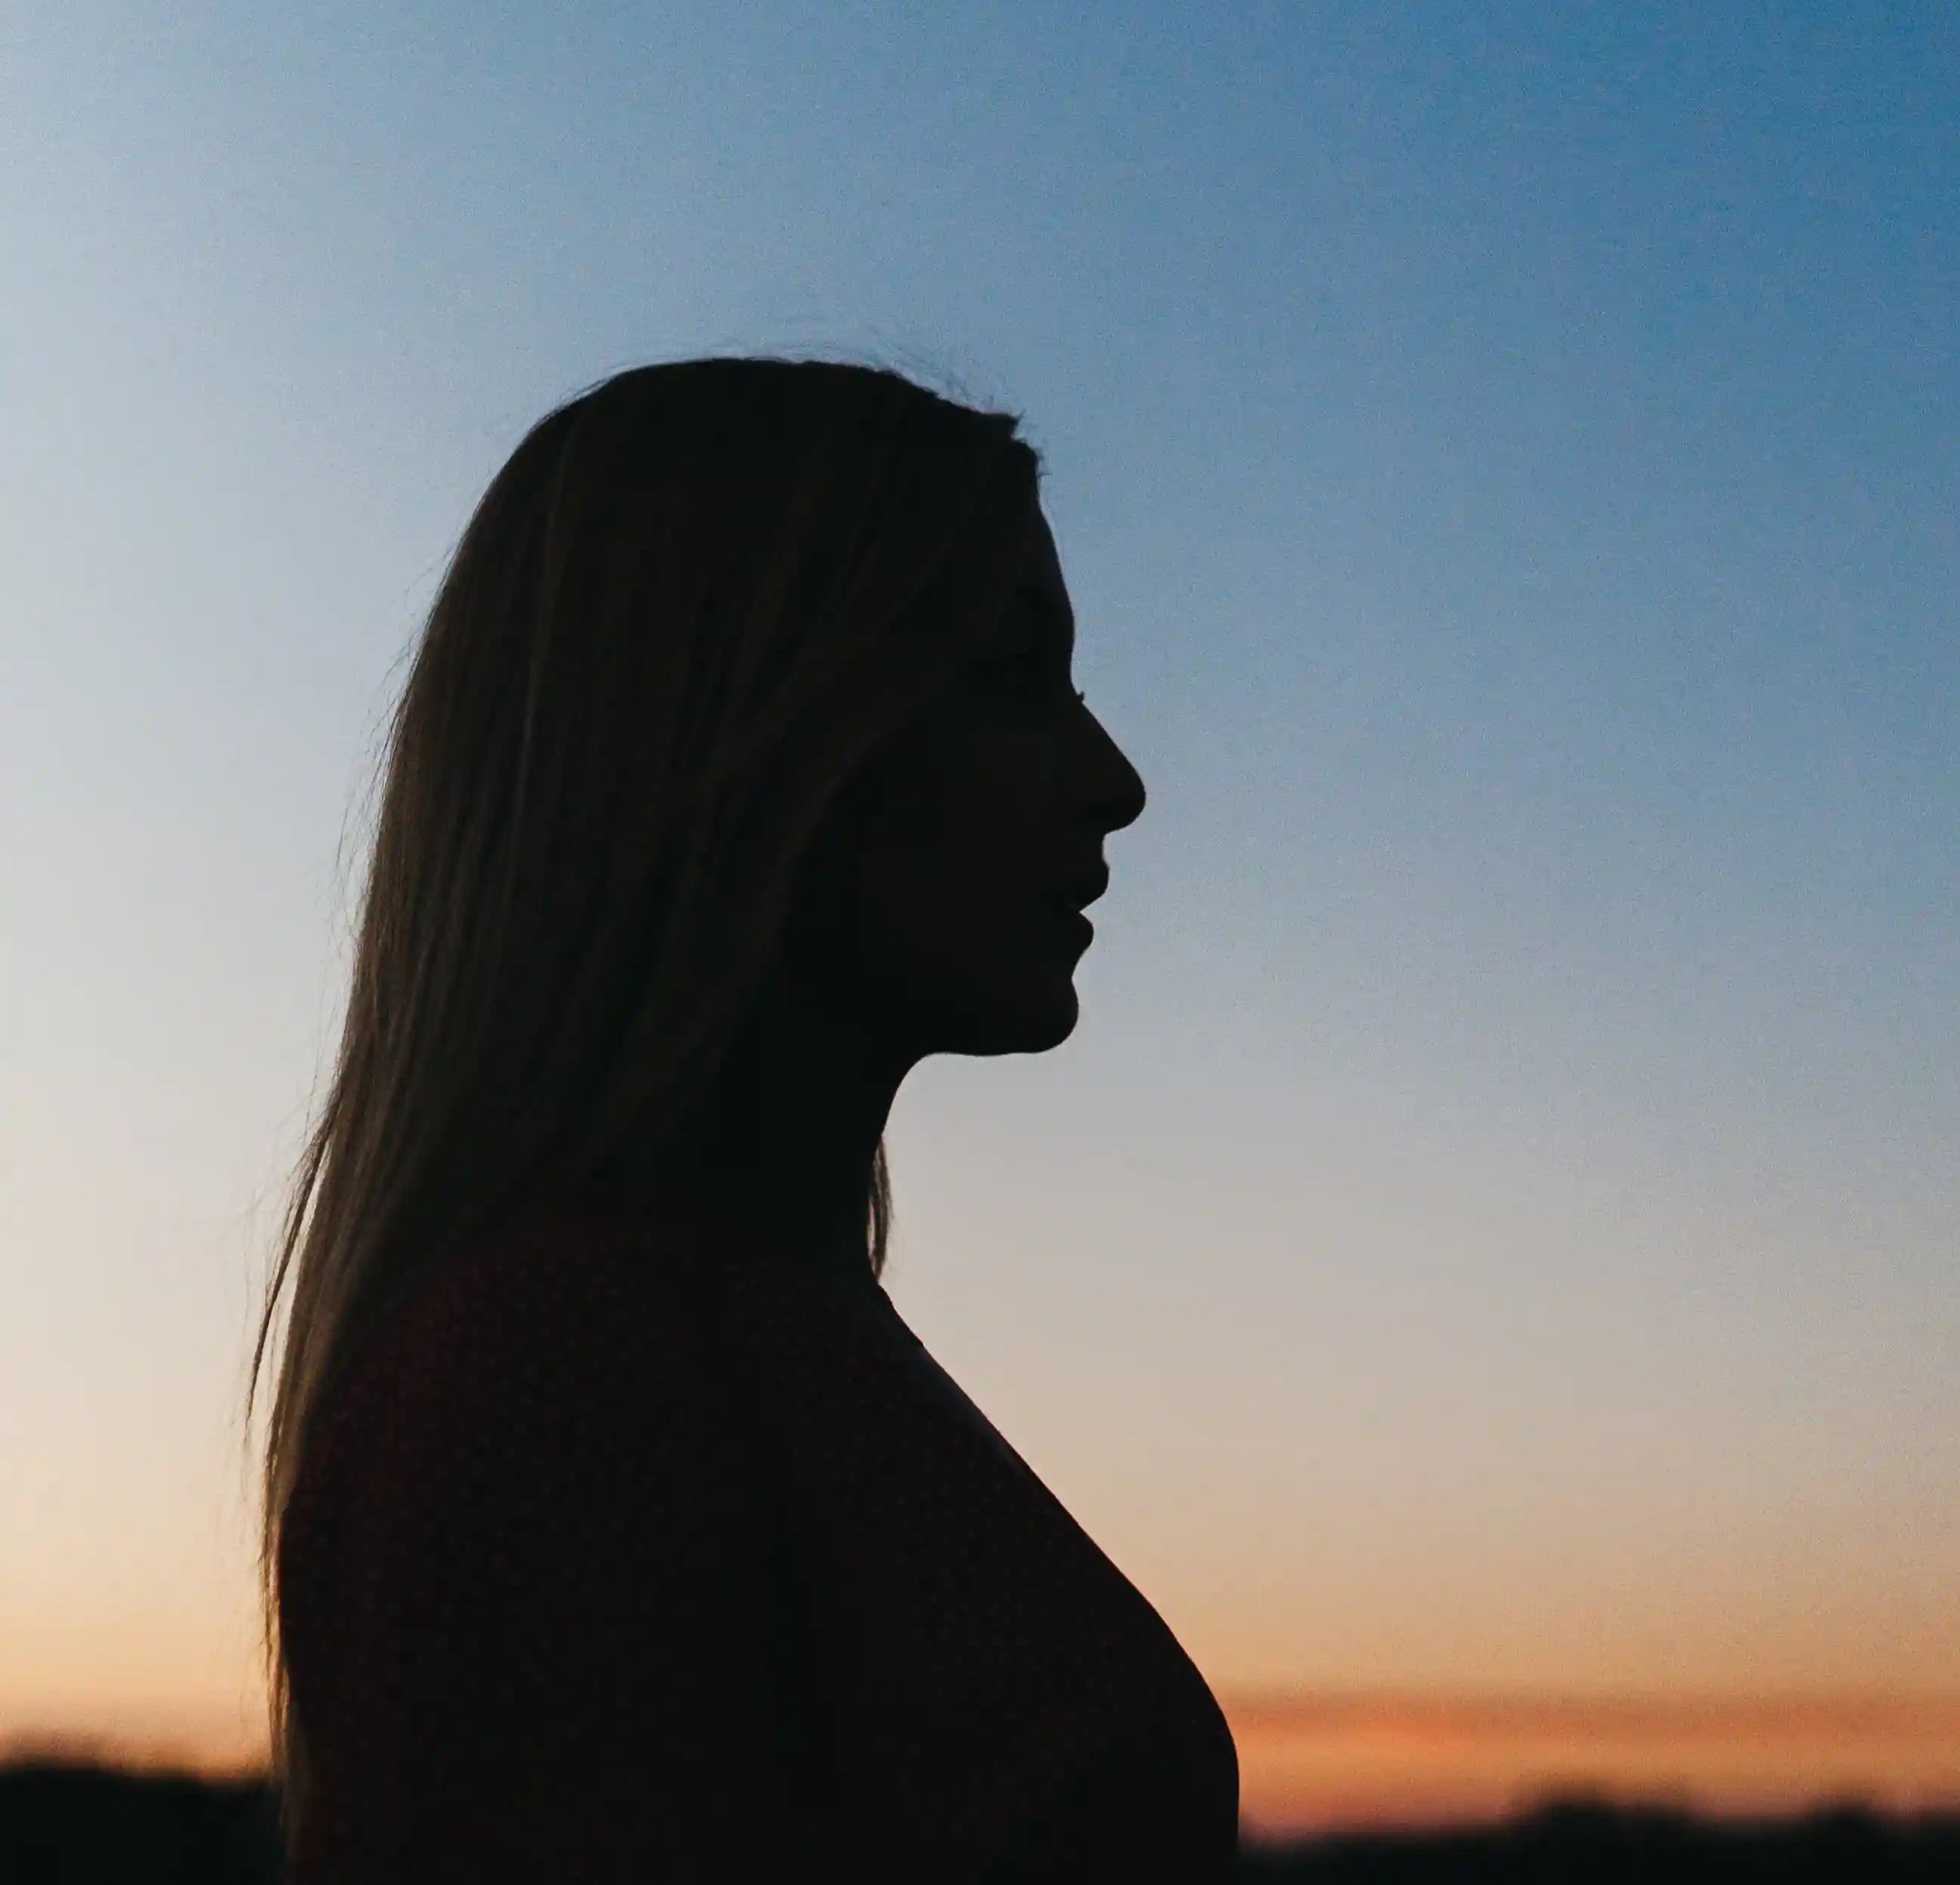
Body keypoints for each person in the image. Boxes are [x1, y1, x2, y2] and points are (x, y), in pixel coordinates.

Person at [250, 359, 1238, 1880]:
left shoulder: (715, 1335)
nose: (1115, 781)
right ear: (751, 722)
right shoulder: (563, 1374)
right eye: (1007, 676)